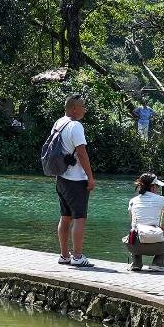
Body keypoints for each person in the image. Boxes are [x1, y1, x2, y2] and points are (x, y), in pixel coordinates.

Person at [50, 92, 96, 269]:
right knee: (79, 218)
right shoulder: (76, 126)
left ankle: (64, 255)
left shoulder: (59, 123)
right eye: (83, 106)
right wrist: (90, 177)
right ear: (74, 108)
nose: (85, 109)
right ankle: (77, 256)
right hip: (76, 180)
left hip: (61, 177)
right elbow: (82, 154)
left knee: (65, 217)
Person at [124, 173, 164, 271]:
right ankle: (158, 263)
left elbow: (132, 223)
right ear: (153, 187)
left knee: (133, 232)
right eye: (157, 186)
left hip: (135, 246)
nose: (158, 188)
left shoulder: (133, 201)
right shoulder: (160, 200)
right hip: (155, 244)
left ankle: (136, 263)